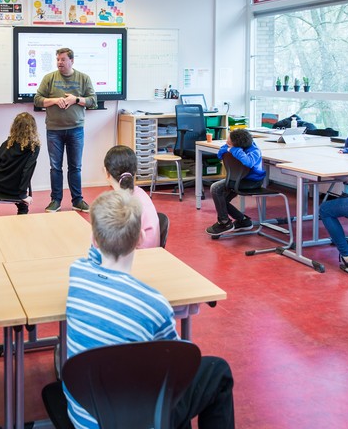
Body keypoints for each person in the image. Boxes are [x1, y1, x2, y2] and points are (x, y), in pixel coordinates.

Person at [65, 190, 235, 429]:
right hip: (139, 420)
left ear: (94, 239)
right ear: (139, 241)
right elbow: (176, 369)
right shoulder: (154, 305)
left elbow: (93, 254)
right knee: (217, 372)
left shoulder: (78, 273)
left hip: (84, 419)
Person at [34, 47, 97, 214]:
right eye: (58, 59)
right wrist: (55, 100)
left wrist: (75, 99)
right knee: (55, 167)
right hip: (54, 130)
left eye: (63, 59)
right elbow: (37, 100)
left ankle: (77, 200)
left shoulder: (83, 78)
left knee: (75, 167)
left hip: (76, 129)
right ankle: (55, 200)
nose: (59, 62)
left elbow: (93, 101)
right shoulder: (49, 78)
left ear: (72, 61)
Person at [0, 112, 40, 217]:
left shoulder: (8, 143)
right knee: (23, 207)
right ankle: (21, 229)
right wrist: (23, 195)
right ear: (33, 129)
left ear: (15, 127)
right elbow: (27, 171)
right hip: (16, 191)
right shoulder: (34, 147)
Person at [206, 129, 265, 236]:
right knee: (220, 197)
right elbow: (220, 154)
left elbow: (248, 163)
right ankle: (243, 220)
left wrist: (234, 149)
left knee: (216, 189)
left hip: (251, 182)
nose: (226, 141)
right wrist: (229, 147)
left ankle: (224, 223)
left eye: (229, 140)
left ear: (237, 144)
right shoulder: (233, 146)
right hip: (237, 178)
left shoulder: (254, 151)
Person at [104, 145, 160, 248]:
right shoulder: (140, 194)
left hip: (137, 258)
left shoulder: (121, 204)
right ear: (134, 172)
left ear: (107, 173)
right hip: (150, 255)